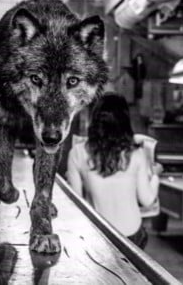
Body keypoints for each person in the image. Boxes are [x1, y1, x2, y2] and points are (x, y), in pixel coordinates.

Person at [66, 93, 160, 249]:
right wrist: (155, 175)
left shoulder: (77, 152)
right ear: (125, 121)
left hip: (96, 235)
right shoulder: (136, 153)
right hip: (133, 237)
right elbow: (147, 200)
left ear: (94, 118)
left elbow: (76, 206)